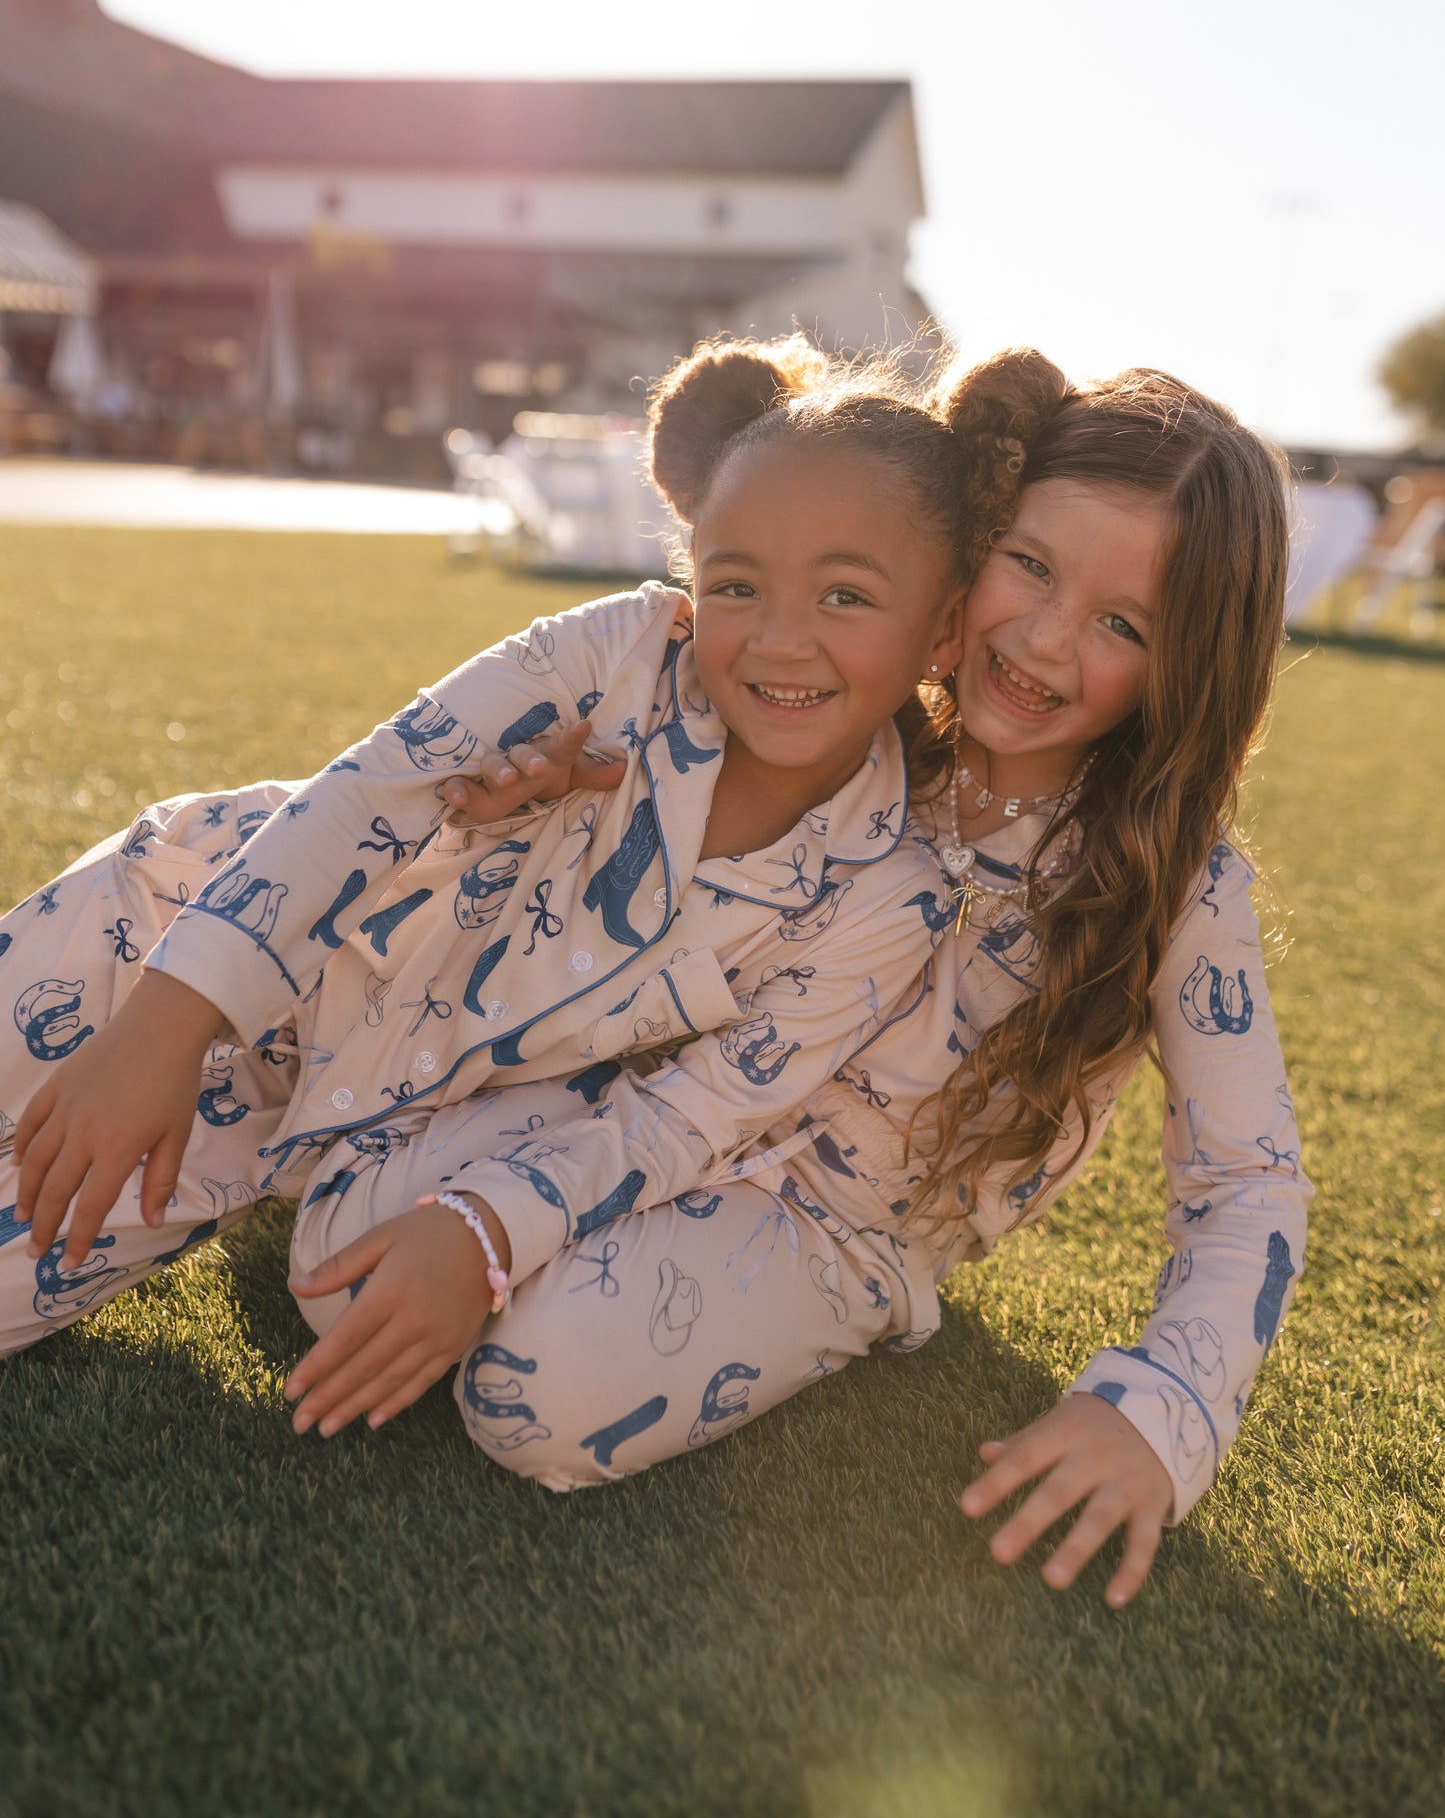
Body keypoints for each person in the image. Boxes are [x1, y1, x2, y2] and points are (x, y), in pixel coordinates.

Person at [393, 349, 1308, 1608]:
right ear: (969, 533)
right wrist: (544, 785)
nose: (1041, 639)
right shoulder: (860, 717)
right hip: (642, 1107)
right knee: (363, 1218)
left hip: (830, 1232)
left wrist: (1159, 1411)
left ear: (1186, 662)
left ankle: (798, 1313)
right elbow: (654, 785)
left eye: (1120, 623)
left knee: (528, 1389)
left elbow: (1247, 1179)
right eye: (1029, 565)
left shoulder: (1177, 882)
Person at [0, 335, 991, 1394]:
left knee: (118, 1268)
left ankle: (264, 1168)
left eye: (844, 595)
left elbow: (686, 1118)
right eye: (736, 583)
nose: (779, 640)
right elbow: (365, 790)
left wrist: (483, 1231)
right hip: (177, 926)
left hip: (347, 1113)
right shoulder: (620, 651)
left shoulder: (890, 894)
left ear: (941, 630)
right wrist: (164, 1018)